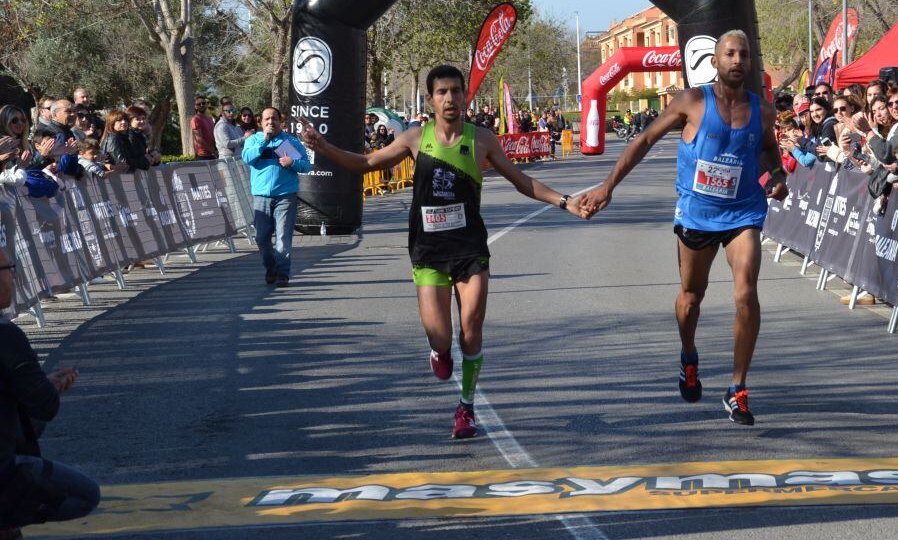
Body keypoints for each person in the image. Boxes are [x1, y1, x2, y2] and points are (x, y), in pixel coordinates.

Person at [300, 65, 586, 439]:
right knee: (440, 336)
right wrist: (325, 149)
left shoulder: (481, 139)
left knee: (471, 328)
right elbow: (367, 163)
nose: (450, 99)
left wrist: (565, 202)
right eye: (442, 92)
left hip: (470, 248)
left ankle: (466, 408)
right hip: (428, 249)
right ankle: (439, 351)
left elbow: (522, 181)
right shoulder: (416, 138)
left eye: (456, 91)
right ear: (431, 99)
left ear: (464, 96)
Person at [579, 31, 788, 427]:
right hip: (697, 213)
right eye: (729, 54)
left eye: (744, 54)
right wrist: (608, 186)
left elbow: (766, 146)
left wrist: (776, 173)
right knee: (692, 297)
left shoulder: (762, 110)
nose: (737, 60)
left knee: (746, 292)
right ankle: (689, 356)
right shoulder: (692, 101)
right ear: (715, 60)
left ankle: (737, 388)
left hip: (743, 211)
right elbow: (644, 139)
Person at [0, 247, 100, 539]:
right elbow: (45, 406)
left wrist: (44, 383)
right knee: (85, 495)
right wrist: (47, 388)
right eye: (9, 270)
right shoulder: (7, 336)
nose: (14, 278)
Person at [241, 108, 311, 289]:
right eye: (267, 119)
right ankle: (270, 267)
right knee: (261, 237)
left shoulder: (290, 142)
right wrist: (264, 141)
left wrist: (293, 163)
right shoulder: (254, 140)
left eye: (274, 119)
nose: (270, 122)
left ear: (280, 121)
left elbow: (306, 166)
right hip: (261, 197)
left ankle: (282, 274)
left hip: (285, 196)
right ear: (260, 122)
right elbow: (247, 158)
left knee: (282, 237)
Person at [191, 96, 217, 160]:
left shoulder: (210, 118)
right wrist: (212, 151)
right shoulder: (196, 119)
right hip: (203, 155)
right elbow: (199, 139)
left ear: (206, 104)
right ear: (195, 107)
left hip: (213, 153)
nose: (201, 105)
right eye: (198, 104)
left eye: (203, 103)